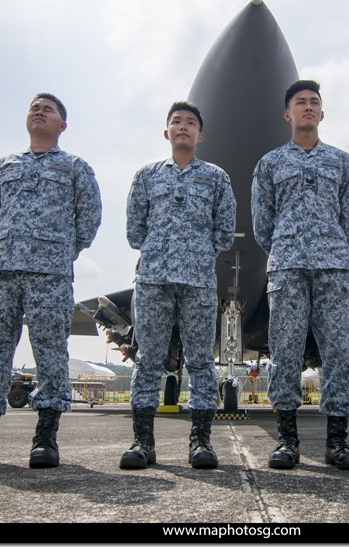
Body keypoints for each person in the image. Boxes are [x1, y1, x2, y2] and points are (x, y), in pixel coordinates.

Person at [0, 93, 102, 469]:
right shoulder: (4, 165)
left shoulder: (75, 167)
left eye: (49, 109)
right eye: (34, 107)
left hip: (50, 272)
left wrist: (54, 251)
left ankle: (45, 438)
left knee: (50, 353)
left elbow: (88, 221)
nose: (39, 111)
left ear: (62, 125)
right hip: (3, 268)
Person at [251, 79, 349, 471]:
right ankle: (287, 441)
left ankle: (338, 443)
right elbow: (262, 225)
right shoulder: (270, 163)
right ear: (288, 114)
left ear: (322, 112)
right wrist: (289, 247)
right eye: (301, 102)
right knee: (285, 353)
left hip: (333, 267)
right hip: (287, 268)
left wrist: (326, 245)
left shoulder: (342, 161)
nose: (309, 107)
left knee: (338, 353)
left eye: (315, 102)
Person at [120, 101, 235, 470]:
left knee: (202, 361)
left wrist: (196, 253)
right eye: (176, 122)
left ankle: (200, 442)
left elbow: (224, 231)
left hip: (199, 282)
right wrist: (161, 252)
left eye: (190, 123)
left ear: (201, 135)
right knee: (148, 360)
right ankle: (143, 442)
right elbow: (135, 230)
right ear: (166, 132)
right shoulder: (147, 175)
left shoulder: (216, 178)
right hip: (153, 280)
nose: (183, 127)